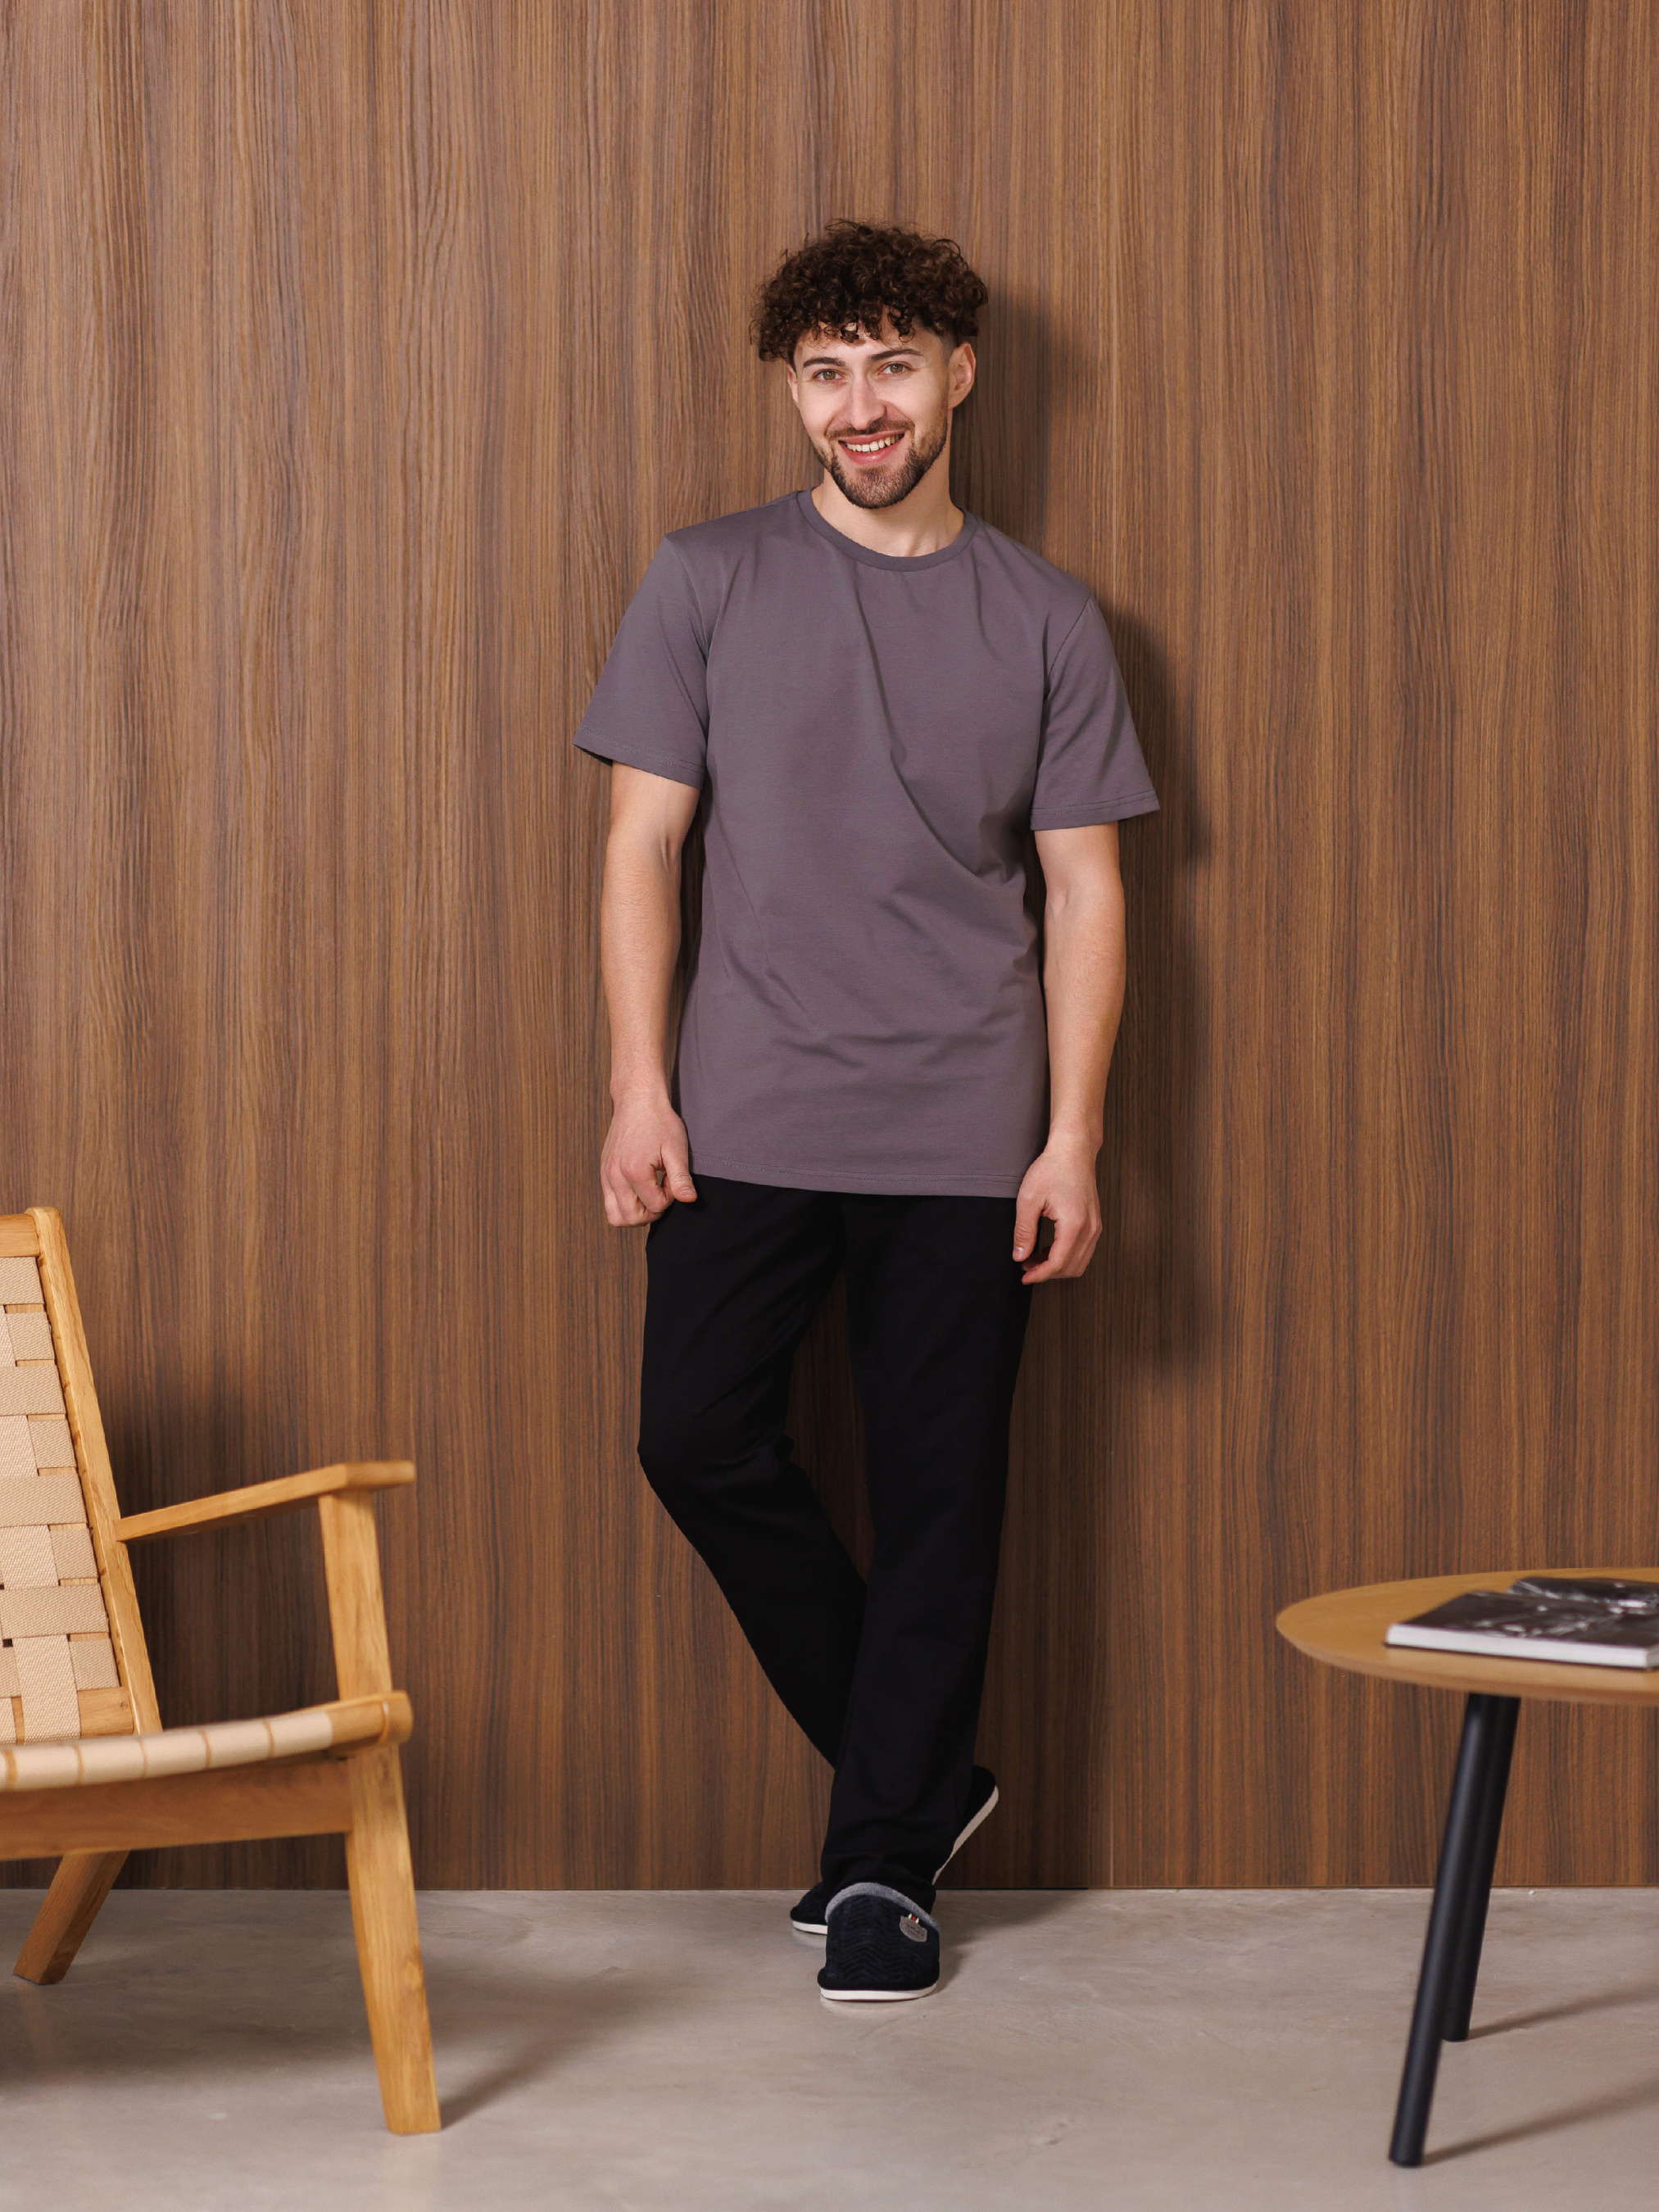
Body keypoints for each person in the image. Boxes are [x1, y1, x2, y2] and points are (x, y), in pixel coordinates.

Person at [573, 218, 1158, 2003]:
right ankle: (919, 1769)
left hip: (963, 1128)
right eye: (823, 373)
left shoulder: (1046, 617)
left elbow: (1086, 889)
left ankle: (883, 1867)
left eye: (890, 366)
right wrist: (638, 1084)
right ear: (792, 390)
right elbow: (641, 849)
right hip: (743, 1109)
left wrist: (1071, 1135)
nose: (858, 406)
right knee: (695, 1439)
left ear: (956, 377)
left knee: (939, 1499)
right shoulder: (703, 578)